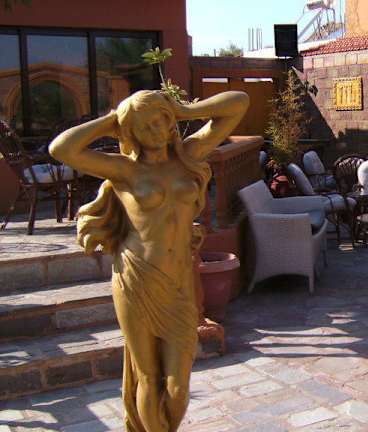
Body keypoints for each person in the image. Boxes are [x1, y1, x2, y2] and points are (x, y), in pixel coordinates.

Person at [50, 90, 248, 431]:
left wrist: (183, 110)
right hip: (135, 278)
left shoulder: (188, 155)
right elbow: (61, 149)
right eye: (144, 127)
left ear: (169, 122)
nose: (155, 131)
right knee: (148, 376)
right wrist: (113, 120)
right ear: (131, 133)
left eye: (159, 121)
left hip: (180, 281)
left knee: (177, 388)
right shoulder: (124, 169)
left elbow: (238, 103)